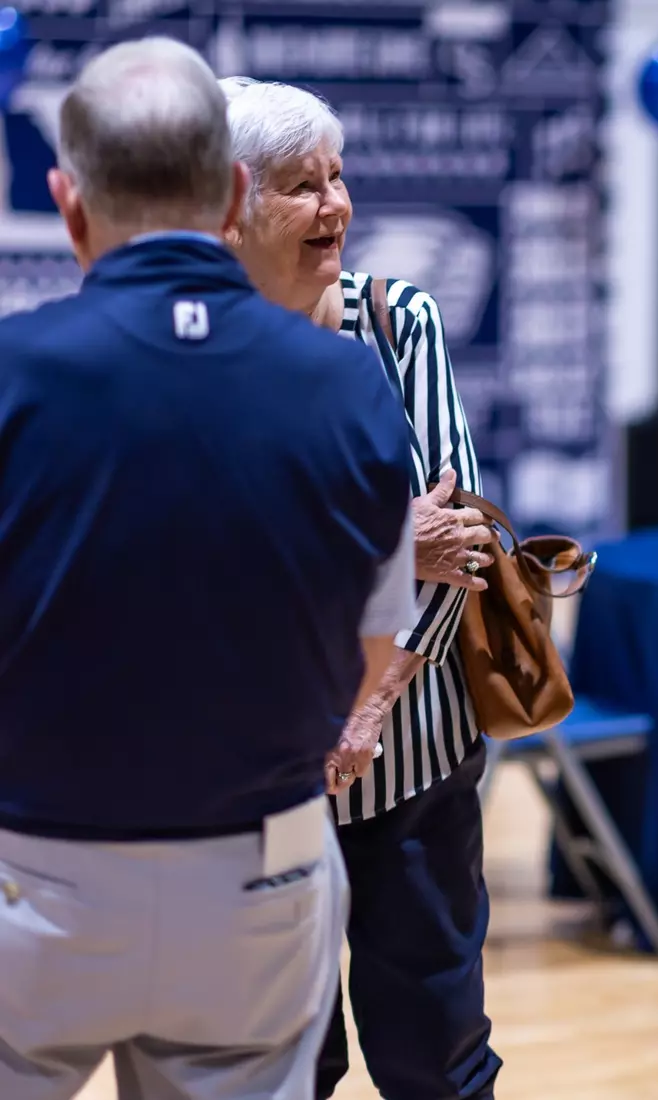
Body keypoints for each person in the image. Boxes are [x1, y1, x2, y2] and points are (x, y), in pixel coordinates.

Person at [0, 37, 415, 1100]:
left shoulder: (12, 374)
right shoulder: (347, 385)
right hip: (259, 874)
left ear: (68, 204)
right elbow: (379, 653)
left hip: (34, 870)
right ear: (233, 194)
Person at [218, 75, 502, 1099]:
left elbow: (459, 543)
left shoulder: (396, 321)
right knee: (285, 1058)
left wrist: (370, 705)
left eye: (339, 178)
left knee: (437, 1054)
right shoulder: (192, 353)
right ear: (232, 201)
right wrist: (384, 540)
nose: (336, 205)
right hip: (258, 774)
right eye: (304, 186)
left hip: (412, 755)